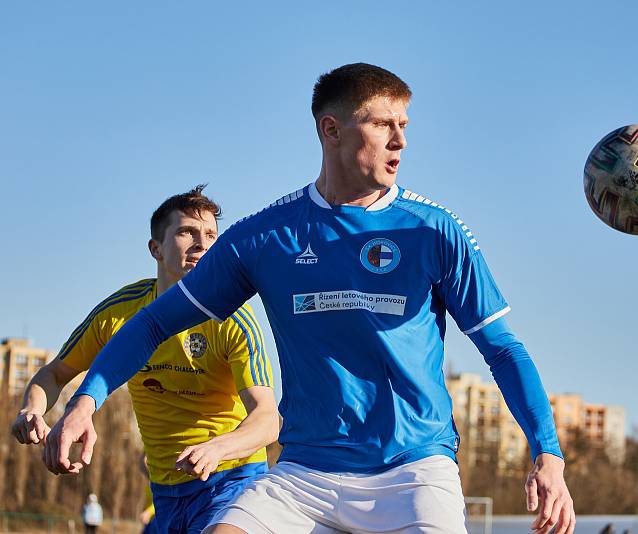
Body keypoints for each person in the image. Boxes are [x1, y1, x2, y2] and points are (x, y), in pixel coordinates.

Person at [44, 64, 575, 534]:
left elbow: (503, 349)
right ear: (330, 129)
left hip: (413, 471)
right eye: (382, 124)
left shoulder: (433, 231)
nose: (400, 142)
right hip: (305, 474)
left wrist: (547, 453)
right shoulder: (266, 237)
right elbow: (153, 324)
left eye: (405, 127)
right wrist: (85, 401)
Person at [12, 186, 279, 534]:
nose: (202, 244)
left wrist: (219, 448)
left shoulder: (234, 320)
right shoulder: (121, 313)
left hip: (233, 480)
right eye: (187, 232)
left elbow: (267, 418)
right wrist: (31, 410)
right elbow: (54, 374)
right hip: (166, 491)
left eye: (211, 234)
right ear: (155, 248)